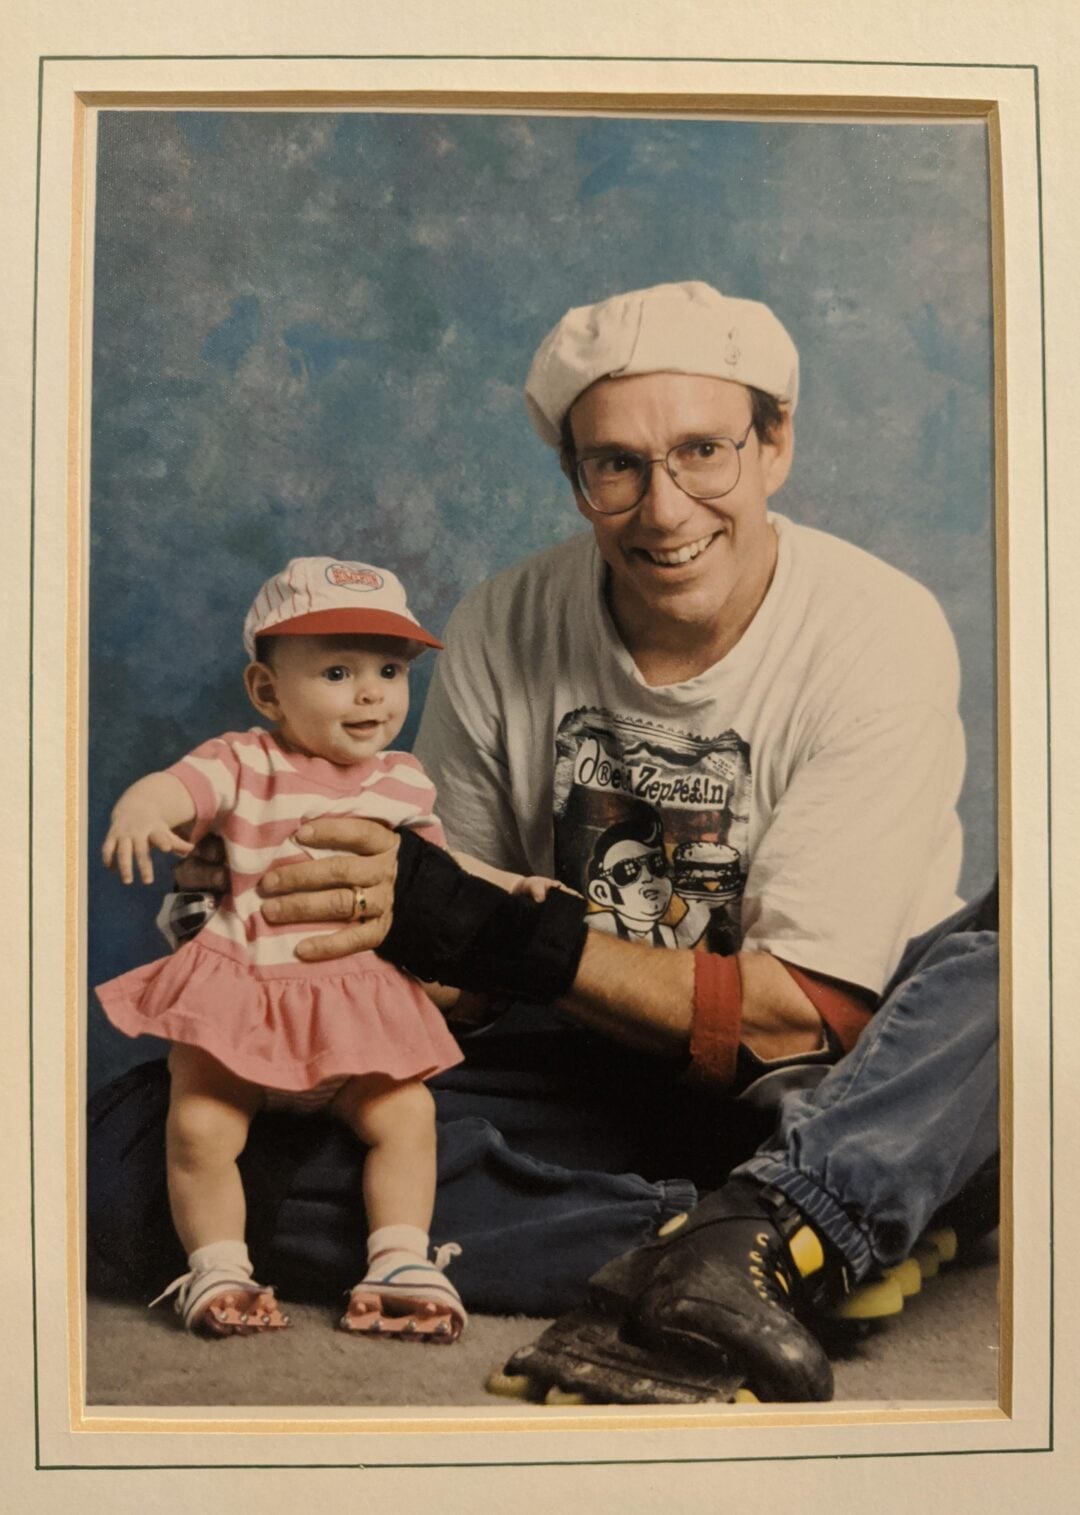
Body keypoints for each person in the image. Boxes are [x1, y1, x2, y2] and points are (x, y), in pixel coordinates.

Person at [87, 282, 999, 1402]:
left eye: (704, 451)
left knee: (1029, 956)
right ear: (575, 477)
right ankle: (743, 1240)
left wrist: (485, 930)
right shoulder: (503, 622)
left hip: (839, 1072)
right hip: (594, 1056)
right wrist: (289, 907)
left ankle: (823, 1193)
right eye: (615, 465)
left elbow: (797, 1013)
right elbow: (444, 978)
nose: (664, 510)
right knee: (138, 1146)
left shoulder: (876, 625)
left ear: (776, 445)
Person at [95, 555, 552, 1343]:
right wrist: (143, 807)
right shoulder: (244, 760)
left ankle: (400, 1255)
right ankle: (217, 1263)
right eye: (338, 670)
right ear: (268, 691)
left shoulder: (403, 780)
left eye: (388, 670)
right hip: (246, 1000)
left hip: (352, 1012)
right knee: (200, 1125)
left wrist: (510, 884)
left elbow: (441, 875)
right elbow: (179, 789)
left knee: (406, 1114)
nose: (372, 692)